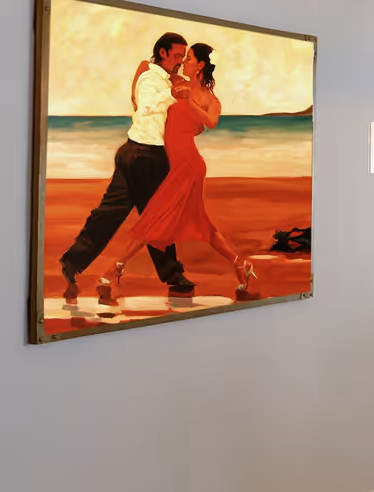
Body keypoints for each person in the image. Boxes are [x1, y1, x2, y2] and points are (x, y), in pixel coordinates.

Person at [98, 43, 258, 304]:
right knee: (203, 225)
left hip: (190, 166)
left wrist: (188, 102)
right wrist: (135, 99)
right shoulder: (176, 80)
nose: (184, 61)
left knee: (154, 216)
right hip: (176, 164)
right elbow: (143, 66)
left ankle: (112, 271)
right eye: (184, 57)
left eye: (190, 58)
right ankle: (240, 264)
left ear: (200, 65)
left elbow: (212, 121)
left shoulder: (209, 98)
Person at [57, 33, 194, 304]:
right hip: (146, 156)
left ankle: (72, 261)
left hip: (135, 152)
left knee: (109, 213)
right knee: (157, 216)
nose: (180, 61)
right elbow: (145, 106)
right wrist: (171, 94)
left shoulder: (163, 79)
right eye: (177, 55)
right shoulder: (151, 80)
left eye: (182, 56)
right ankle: (172, 275)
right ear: (163, 53)